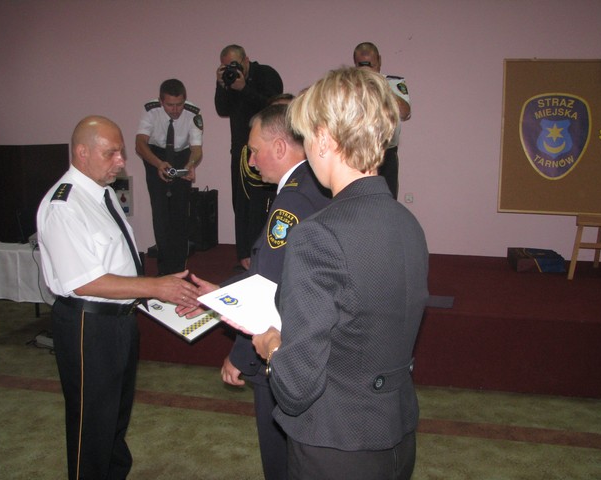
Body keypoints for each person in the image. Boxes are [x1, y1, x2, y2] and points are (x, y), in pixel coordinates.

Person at [251, 68, 429, 480]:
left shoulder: (318, 234)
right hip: (397, 436)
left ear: (324, 139)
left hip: (336, 446)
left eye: (306, 136)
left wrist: (273, 347)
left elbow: (297, 388)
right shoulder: (408, 223)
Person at [37, 116, 198, 479]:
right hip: (88, 325)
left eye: (121, 152)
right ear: (82, 152)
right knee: (91, 423)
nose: (122, 161)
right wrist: (155, 287)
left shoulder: (103, 193)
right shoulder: (64, 205)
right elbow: (85, 282)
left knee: (115, 415)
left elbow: (115, 261)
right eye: (111, 153)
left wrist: (154, 292)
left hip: (119, 321)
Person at [179, 103, 331, 480]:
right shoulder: (315, 186)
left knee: (280, 459)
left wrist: (241, 356)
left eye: (254, 150)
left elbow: (269, 286)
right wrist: (220, 294)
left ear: (279, 147)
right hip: (312, 343)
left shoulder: (292, 199)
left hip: (280, 348)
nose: (250, 160)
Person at [214, 44, 283, 269]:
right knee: (240, 205)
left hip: (267, 151)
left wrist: (244, 88)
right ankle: (244, 256)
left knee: (263, 206)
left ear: (246, 60)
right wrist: (221, 84)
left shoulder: (266, 74)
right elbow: (222, 109)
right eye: (225, 66)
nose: (231, 69)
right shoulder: (228, 79)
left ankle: (264, 255)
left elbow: (273, 109)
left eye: (234, 64)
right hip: (240, 151)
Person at [136, 78, 203, 275]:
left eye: (179, 104)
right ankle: (164, 271)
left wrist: (190, 165)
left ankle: (179, 270)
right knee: (161, 215)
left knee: (180, 216)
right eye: (170, 105)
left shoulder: (193, 113)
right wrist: (158, 164)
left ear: (185, 99)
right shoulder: (151, 110)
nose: (175, 110)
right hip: (155, 155)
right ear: (161, 101)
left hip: (182, 156)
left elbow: (197, 149)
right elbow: (140, 144)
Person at [354, 41, 411, 199]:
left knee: (387, 200)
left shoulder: (392, 83)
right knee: (358, 200)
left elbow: (405, 112)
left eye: (370, 64)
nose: (366, 69)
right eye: (361, 64)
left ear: (379, 61)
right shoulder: (348, 85)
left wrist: (379, 85)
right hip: (357, 152)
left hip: (386, 153)